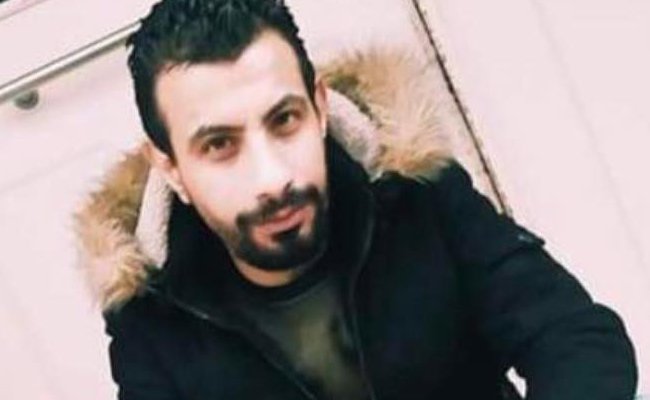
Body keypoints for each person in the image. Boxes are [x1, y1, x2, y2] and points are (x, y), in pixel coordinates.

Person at [74, 0, 637, 398]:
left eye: (284, 120)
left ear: (320, 108)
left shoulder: (417, 193)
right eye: (220, 145)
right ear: (170, 167)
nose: (272, 179)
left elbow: (575, 338)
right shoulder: (151, 316)